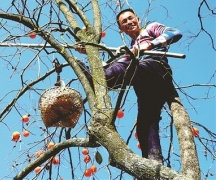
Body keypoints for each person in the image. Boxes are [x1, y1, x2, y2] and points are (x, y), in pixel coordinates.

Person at [75, 8, 182, 162]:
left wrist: (149, 45)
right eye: (124, 22)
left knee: (119, 71)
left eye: (131, 18)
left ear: (137, 18)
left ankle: (98, 78)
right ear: (121, 29)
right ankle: (153, 162)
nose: (129, 22)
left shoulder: (150, 28)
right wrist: (90, 53)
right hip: (144, 85)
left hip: (155, 68)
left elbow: (174, 32)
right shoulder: (131, 48)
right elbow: (116, 65)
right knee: (145, 125)